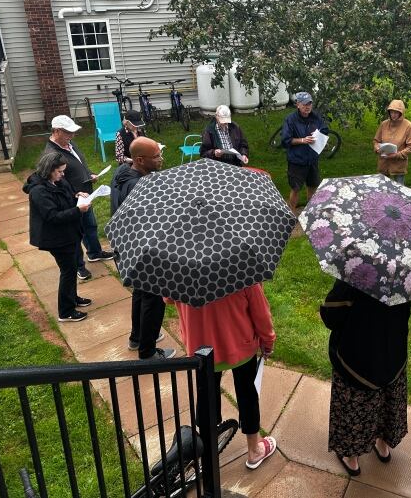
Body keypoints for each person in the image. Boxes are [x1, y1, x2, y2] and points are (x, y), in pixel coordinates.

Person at [169, 284, 277, 469]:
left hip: (200, 348)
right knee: (248, 395)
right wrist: (267, 341)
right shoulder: (242, 266)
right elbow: (260, 312)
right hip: (240, 346)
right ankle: (254, 450)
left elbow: (169, 298)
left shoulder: (178, 270)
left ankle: (208, 455)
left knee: (206, 398)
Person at [321, 279, 411, 477]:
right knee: (390, 399)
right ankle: (383, 445)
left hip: (357, 359)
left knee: (353, 407)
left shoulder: (356, 274)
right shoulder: (408, 272)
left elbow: (330, 316)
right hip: (393, 354)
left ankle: (351, 459)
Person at [110, 137, 175, 360]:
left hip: (127, 247)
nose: (161, 159)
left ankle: (137, 337)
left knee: (140, 293)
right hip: (145, 250)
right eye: (156, 156)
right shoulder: (139, 187)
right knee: (154, 299)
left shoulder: (123, 173)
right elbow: (155, 221)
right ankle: (147, 352)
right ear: (139, 159)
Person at [42, 115, 113, 282]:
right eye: (68, 133)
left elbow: (79, 164)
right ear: (56, 131)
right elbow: (56, 180)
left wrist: (89, 174)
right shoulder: (51, 154)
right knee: (75, 234)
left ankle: (95, 253)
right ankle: (79, 267)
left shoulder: (68, 144)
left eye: (73, 132)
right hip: (72, 200)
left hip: (85, 194)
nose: (72, 136)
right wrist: (74, 194)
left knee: (90, 225)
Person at [23, 152, 92, 323]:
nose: (63, 175)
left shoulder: (59, 181)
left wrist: (77, 196)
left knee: (73, 266)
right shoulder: (38, 191)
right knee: (68, 271)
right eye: (60, 171)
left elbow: (67, 196)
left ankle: (73, 298)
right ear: (49, 170)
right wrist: (78, 210)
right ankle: (66, 311)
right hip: (56, 238)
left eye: (63, 171)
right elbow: (52, 216)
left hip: (70, 233)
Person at [280, 92, 329, 211]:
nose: (307, 107)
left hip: (312, 159)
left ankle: (310, 211)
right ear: (298, 104)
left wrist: (318, 134)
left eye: (310, 104)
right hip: (297, 160)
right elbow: (285, 141)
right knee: (296, 189)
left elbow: (325, 129)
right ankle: (291, 214)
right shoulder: (290, 120)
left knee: (312, 186)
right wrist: (303, 140)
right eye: (305, 104)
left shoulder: (315, 117)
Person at [372, 99, 411, 185]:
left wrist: (397, 155)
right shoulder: (384, 124)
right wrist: (377, 148)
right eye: (391, 112)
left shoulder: (408, 126)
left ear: (401, 113)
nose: (393, 115)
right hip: (383, 163)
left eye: (396, 112)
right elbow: (376, 140)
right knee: (383, 190)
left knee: (399, 192)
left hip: (398, 165)